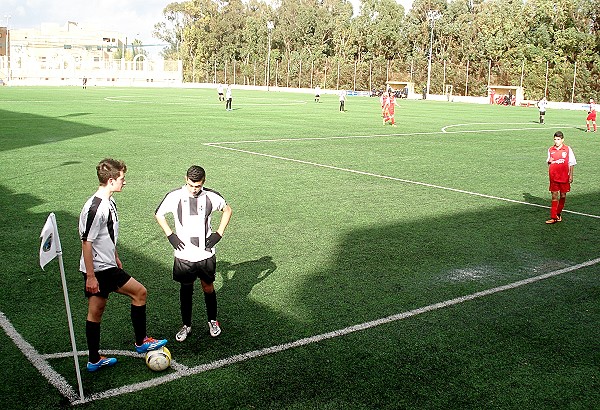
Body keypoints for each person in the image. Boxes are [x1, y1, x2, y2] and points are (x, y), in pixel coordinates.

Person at [79, 158, 167, 372]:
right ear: (111, 180)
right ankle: (141, 341)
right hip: (101, 269)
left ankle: (93, 359)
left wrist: (115, 254)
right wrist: (91, 276)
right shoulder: (96, 208)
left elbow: (106, 235)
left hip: (106, 264)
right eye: (121, 178)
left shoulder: (109, 201)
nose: (124, 182)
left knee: (96, 312)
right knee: (140, 293)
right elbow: (86, 242)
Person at [155, 165, 233, 342]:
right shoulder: (174, 196)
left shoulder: (211, 196)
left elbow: (228, 210)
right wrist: (170, 235)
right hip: (183, 254)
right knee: (186, 288)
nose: (194, 189)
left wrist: (219, 233)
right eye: (191, 185)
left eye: (197, 186)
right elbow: (159, 214)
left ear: (203, 182)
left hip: (205, 253)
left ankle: (213, 321)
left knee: (208, 286)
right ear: (186, 179)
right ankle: (186, 325)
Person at [545, 131, 576, 224]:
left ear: (562, 140)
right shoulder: (550, 149)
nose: (556, 141)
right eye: (555, 139)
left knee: (562, 195)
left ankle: (558, 213)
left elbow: (572, 163)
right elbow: (548, 161)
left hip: (563, 177)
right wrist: (549, 161)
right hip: (553, 176)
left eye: (558, 139)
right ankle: (553, 217)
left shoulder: (567, 149)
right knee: (554, 196)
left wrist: (571, 175)